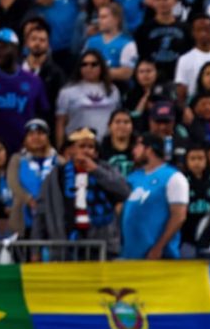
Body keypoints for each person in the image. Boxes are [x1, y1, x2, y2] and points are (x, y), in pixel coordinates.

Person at [33, 128, 130, 257]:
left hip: (102, 244)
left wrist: (96, 170)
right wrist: (35, 250)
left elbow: (124, 191)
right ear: (72, 150)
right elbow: (42, 211)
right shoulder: (56, 175)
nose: (86, 150)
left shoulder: (105, 169)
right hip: (65, 244)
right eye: (82, 146)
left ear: (95, 152)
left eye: (90, 147)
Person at [0, 28, 50, 152]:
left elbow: (42, 115)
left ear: (15, 49)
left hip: (25, 149)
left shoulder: (33, 81)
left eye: (3, 48)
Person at [121, 132, 189, 260]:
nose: (134, 150)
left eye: (138, 146)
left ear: (149, 149)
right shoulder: (133, 177)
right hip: (130, 256)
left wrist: (159, 247)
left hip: (159, 256)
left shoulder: (174, 178)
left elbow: (179, 216)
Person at [55, 50, 121, 147]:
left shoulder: (113, 90)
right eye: (84, 64)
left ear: (101, 66)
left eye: (94, 64)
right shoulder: (67, 91)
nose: (88, 68)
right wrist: (60, 148)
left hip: (106, 145)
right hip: (77, 144)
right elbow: (60, 123)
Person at [7, 119, 60, 237]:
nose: (36, 137)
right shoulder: (17, 159)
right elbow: (13, 183)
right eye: (31, 134)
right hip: (23, 216)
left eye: (40, 133)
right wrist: (29, 200)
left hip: (52, 213)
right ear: (25, 138)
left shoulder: (59, 160)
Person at [83, 3, 139, 85]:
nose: (99, 21)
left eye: (104, 17)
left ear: (116, 19)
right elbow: (82, 67)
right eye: (99, 17)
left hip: (117, 88)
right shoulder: (91, 42)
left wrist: (97, 72)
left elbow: (126, 73)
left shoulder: (128, 44)